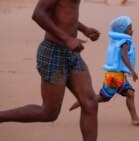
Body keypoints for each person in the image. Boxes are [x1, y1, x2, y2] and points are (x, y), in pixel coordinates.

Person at [0, 0, 100, 141]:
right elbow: (38, 14)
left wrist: (84, 29)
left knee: (90, 103)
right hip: (54, 53)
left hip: (72, 53)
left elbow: (64, 14)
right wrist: (67, 39)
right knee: (48, 113)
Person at [69, 16, 139, 126]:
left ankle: (134, 118)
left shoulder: (116, 40)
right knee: (105, 98)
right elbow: (123, 55)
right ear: (122, 31)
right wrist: (131, 70)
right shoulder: (125, 42)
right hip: (115, 77)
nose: (132, 31)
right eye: (129, 29)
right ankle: (84, 100)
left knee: (128, 94)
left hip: (115, 75)